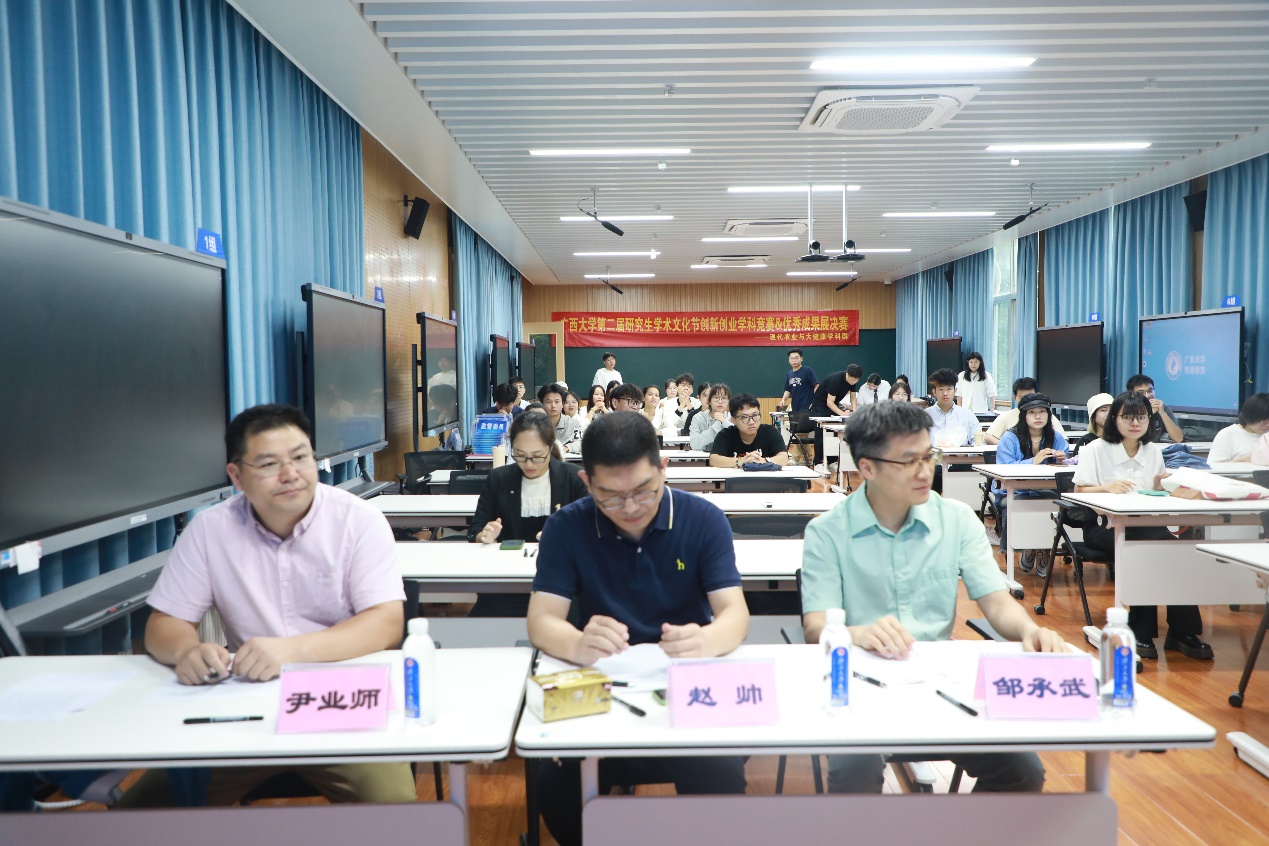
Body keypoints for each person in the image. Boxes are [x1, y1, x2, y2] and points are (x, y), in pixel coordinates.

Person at [119, 405, 413, 806]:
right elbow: (164, 623)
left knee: (394, 809)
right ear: (236, 476)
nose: (290, 473)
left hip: (342, 700)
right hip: (245, 702)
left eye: (300, 457)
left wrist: (291, 651)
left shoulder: (358, 520)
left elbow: (385, 623)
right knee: (141, 810)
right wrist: (187, 651)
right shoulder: (210, 529)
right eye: (269, 464)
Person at [800, 401, 1058, 795]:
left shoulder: (956, 519)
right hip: (859, 685)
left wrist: (1029, 631)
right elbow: (816, 625)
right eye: (909, 462)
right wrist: (858, 633)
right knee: (853, 772)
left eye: (928, 456)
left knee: (1022, 771)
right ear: (867, 467)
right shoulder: (828, 531)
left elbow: (996, 601)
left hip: (938, 683)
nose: (925, 471)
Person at [528, 413, 750, 846]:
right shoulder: (565, 527)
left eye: (644, 491)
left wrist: (705, 639)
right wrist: (577, 642)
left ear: (663, 468)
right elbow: (541, 621)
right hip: (602, 688)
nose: (630, 508)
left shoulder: (703, 520)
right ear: (587, 482)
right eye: (610, 497)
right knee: (555, 789)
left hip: (684, 686)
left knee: (721, 776)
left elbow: (735, 615)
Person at [1073, 391, 1211, 660]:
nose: (1135, 423)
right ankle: (1140, 632)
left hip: (1148, 525)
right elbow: (1078, 490)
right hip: (1105, 527)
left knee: (1180, 556)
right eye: (1127, 417)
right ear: (1115, 419)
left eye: (1142, 417)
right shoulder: (1096, 449)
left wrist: (1162, 486)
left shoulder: (1152, 451)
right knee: (1144, 553)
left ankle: (1183, 633)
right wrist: (1106, 488)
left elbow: (1152, 492)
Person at [468, 411, 588, 616]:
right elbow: (475, 529)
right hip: (507, 582)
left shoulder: (574, 478)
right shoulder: (499, 479)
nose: (529, 464)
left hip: (562, 582)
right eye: (520, 455)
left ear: (551, 447)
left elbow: (592, 532)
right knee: (481, 623)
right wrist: (484, 535)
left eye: (538, 456)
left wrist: (564, 537)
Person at [993, 393, 1070, 574]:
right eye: (1032, 412)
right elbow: (1004, 468)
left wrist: (1062, 460)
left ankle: (1040, 549)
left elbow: (1067, 466)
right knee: (1021, 505)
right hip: (1015, 491)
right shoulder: (1010, 438)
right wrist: (1033, 461)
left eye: (1042, 412)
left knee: (1053, 505)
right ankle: (1031, 547)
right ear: (1023, 415)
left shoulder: (1056, 437)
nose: (1038, 416)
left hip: (1047, 490)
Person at [708, 393, 789, 468]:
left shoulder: (770, 432)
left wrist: (763, 461)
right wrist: (740, 461)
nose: (751, 422)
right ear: (733, 420)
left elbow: (784, 458)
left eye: (755, 415)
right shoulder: (726, 434)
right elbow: (713, 460)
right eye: (745, 417)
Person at [984, 378, 1068, 445]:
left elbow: (1063, 440)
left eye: (1030, 396)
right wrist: (1009, 448)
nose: (1026, 401)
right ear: (1015, 397)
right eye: (1022, 398)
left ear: (1038, 395)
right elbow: (988, 437)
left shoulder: (1046, 416)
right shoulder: (1006, 416)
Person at [809, 365, 862, 465]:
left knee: (834, 433)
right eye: (852, 380)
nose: (853, 382)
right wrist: (843, 414)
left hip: (833, 405)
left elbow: (853, 397)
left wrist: (854, 412)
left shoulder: (852, 381)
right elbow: (829, 402)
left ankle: (832, 461)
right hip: (820, 405)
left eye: (856, 380)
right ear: (847, 374)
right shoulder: (835, 379)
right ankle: (818, 462)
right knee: (821, 434)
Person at [925, 368, 982, 448]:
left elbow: (978, 443)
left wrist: (966, 453)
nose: (945, 393)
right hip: (934, 455)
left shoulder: (968, 415)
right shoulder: (924, 416)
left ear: (955, 391)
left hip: (962, 455)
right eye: (941, 389)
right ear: (934, 392)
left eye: (949, 389)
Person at [1208, 393, 1269, 463]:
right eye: (1264, 422)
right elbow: (1214, 467)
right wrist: (1246, 458)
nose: (1268, 425)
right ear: (1250, 416)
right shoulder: (1228, 434)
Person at [1127, 374, 1184, 443]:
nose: (1147, 395)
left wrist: (1163, 413)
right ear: (1131, 394)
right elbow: (1133, 441)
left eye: (1150, 391)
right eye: (1141, 393)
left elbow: (1178, 439)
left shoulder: (1162, 408)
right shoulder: (1126, 410)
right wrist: (1147, 415)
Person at [537, 383, 581, 452]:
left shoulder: (574, 424)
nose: (553, 405)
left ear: (563, 404)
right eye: (549, 402)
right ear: (542, 404)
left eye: (557, 402)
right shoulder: (536, 424)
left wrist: (567, 448)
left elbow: (580, 442)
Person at [689, 382, 733, 451]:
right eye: (716, 398)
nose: (720, 401)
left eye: (724, 398)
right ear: (709, 401)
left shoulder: (733, 418)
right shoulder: (698, 418)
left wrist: (724, 422)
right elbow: (694, 445)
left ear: (728, 402)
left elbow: (738, 440)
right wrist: (718, 424)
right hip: (703, 457)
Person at [777, 348, 820, 412]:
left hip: (807, 407)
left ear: (801, 359)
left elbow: (816, 386)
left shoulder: (808, 371)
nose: (794, 360)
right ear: (789, 360)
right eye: (791, 358)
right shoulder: (789, 374)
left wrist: (815, 401)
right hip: (795, 407)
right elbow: (787, 390)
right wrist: (783, 400)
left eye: (796, 358)